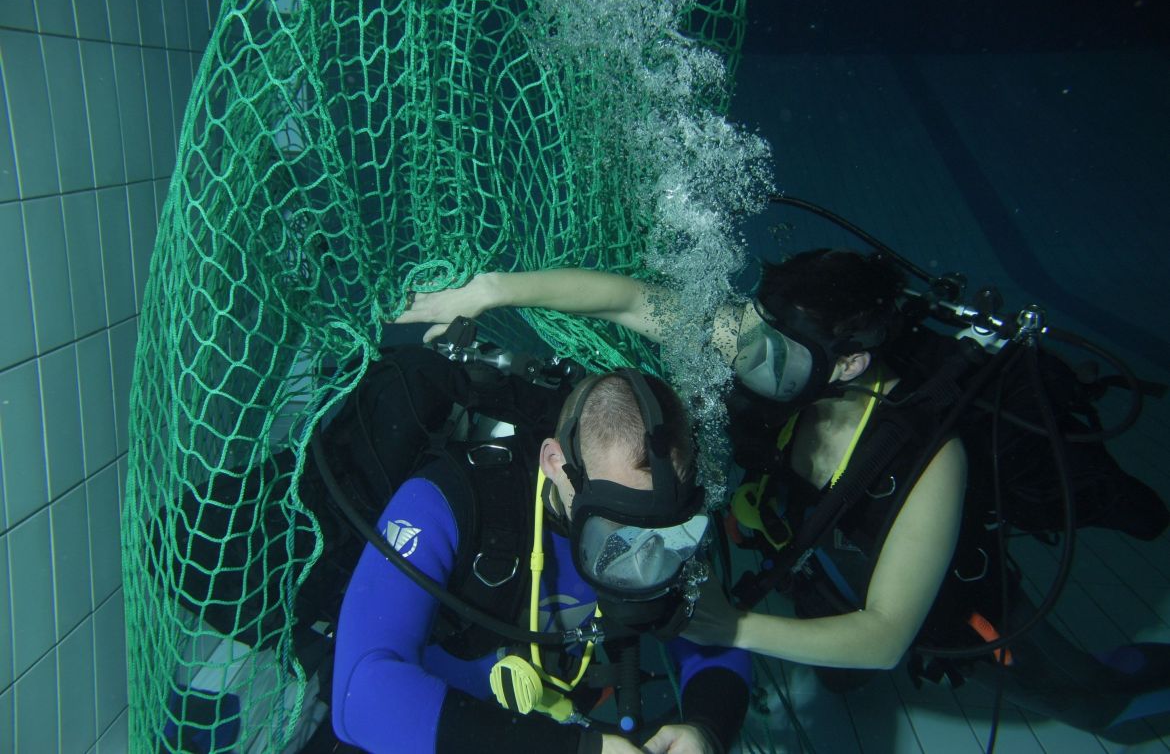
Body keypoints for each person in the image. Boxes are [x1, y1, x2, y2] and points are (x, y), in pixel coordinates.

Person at [395, 249, 1170, 739]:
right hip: (811, 554)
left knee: (1064, 689)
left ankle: (1122, 679)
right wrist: (490, 290)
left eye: (772, 347)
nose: (746, 351)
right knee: (834, 675)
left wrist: (733, 627)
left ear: (848, 366)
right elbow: (626, 299)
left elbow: (886, 637)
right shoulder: (786, 351)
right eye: (753, 329)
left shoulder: (933, 463)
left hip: (926, 591)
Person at [331, 365, 751, 754]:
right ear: (556, 463)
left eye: (661, 527)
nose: (637, 547)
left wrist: (705, 731)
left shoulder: (663, 526)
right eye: (614, 522)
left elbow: (715, 639)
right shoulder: (449, 499)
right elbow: (361, 698)